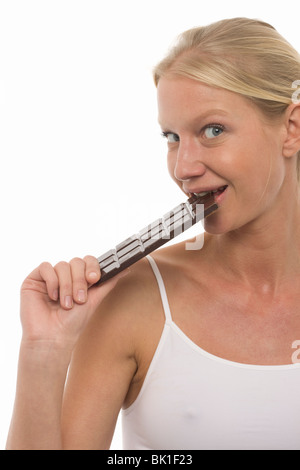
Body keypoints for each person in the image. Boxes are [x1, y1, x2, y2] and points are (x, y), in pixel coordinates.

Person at [6, 17, 300, 450]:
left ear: (291, 129)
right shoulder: (135, 298)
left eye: (212, 131)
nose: (184, 168)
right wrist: (42, 351)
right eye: (172, 137)